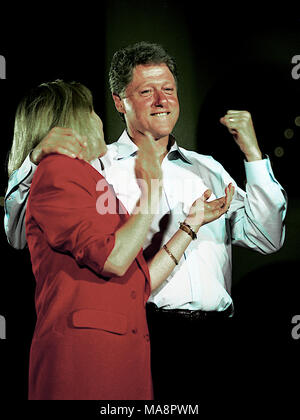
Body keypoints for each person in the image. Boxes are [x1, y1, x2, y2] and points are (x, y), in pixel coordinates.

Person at [4, 42, 287, 401]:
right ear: (120, 102)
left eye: (168, 90)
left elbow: (267, 237)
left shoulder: (209, 168)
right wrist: (32, 161)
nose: (161, 100)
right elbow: (18, 234)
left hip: (219, 339)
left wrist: (252, 155)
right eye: (146, 91)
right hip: (148, 335)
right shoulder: (95, 167)